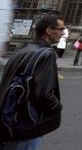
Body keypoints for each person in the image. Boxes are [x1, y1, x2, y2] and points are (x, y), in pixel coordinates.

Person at [0, 15, 64, 148]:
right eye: (60, 29)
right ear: (48, 31)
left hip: (9, 119)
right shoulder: (46, 54)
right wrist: (57, 107)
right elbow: (43, 94)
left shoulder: (21, 51)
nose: (63, 32)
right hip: (27, 124)